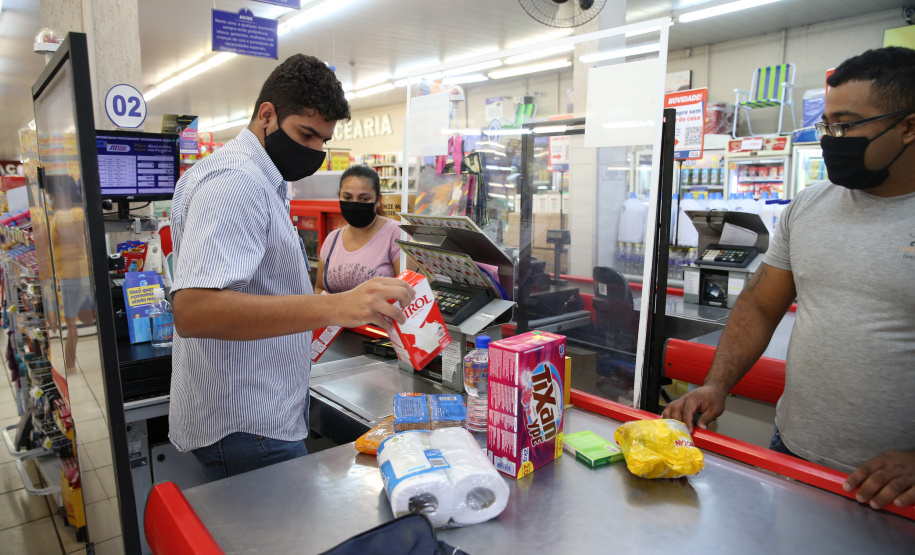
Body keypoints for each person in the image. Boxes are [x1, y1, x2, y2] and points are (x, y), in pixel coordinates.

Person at [662, 47, 915, 511]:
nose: (831, 139)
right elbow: (760, 305)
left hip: (896, 486)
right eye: (826, 126)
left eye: (846, 124)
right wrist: (717, 384)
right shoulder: (811, 205)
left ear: (909, 125)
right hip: (793, 449)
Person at [168, 54, 414, 481]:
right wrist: (337, 307)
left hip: (250, 410)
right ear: (267, 115)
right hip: (248, 423)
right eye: (306, 133)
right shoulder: (237, 182)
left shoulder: (255, 176)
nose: (315, 150)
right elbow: (195, 310)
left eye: (323, 140)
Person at [315, 165, 405, 295]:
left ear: (378, 200)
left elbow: (409, 292)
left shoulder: (397, 234)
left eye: (364, 199)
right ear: (339, 196)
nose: (354, 204)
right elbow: (319, 288)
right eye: (347, 198)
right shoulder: (332, 239)